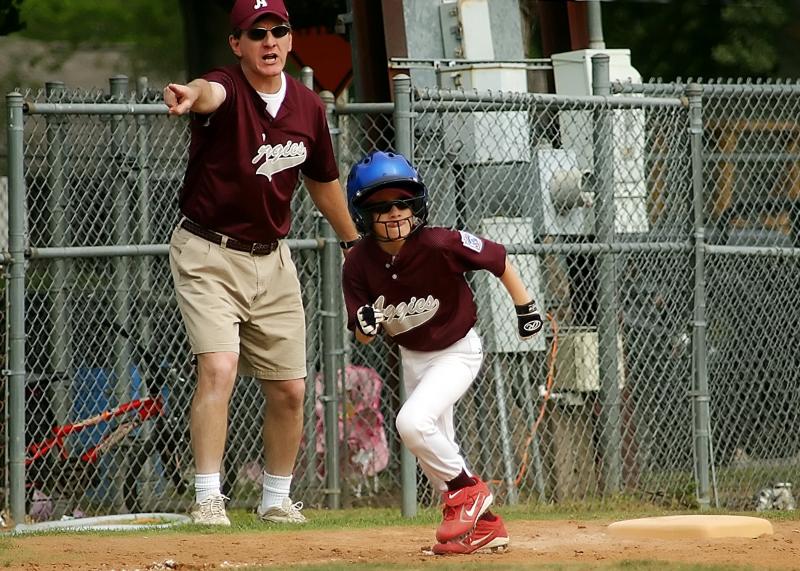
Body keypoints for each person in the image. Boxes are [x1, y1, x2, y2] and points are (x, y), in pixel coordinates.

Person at [163, 0, 361, 526]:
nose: (268, 42)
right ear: (237, 44)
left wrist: (352, 244)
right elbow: (210, 93)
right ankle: (208, 498)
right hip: (208, 252)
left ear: (290, 39)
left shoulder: (307, 107)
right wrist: (190, 94)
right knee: (219, 367)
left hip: (272, 259)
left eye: (278, 31)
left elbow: (322, 181)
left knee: (291, 390)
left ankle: (275, 498)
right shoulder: (225, 88)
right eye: (256, 34)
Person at [341, 150, 544, 554]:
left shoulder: (438, 242)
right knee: (437, 456)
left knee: (412, 424)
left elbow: (498, 258)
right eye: (381, 206)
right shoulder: (358, 264)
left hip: (458, 350)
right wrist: (366, 325)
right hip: (414, 357)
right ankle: (488, 528)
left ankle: (471, 492)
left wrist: (526, 309)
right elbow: (363, 336)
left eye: (402, 202)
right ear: (363, 215)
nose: (395, 212)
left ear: (417, 205)